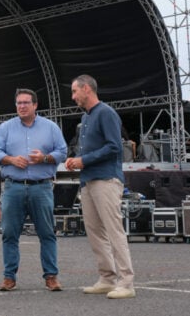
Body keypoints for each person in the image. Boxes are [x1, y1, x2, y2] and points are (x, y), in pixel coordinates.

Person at [65, 74, 136, 299]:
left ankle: (126, 283)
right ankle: (107, 278)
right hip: (88, 180)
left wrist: (83, 160)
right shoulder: (86, 117)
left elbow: (115, 147)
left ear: (86, 89)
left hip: (105, 179)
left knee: (113, 231)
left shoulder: (106, 113)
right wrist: (75, 159)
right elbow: (89, 148)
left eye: (75, 91)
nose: (73, 96)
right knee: (95, 232)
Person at [0, 88, 67, 293]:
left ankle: (51, 277)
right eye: (18, 103)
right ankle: (9, 278)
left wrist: (44, 158)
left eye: (26, 103)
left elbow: (62, 152)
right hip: (13, 187)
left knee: (47, 233)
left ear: (35, 105)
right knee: (9, 234)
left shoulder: (51, 127)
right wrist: (11, 159)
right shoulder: (5, 128)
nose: (22, 106)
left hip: (41, 187)